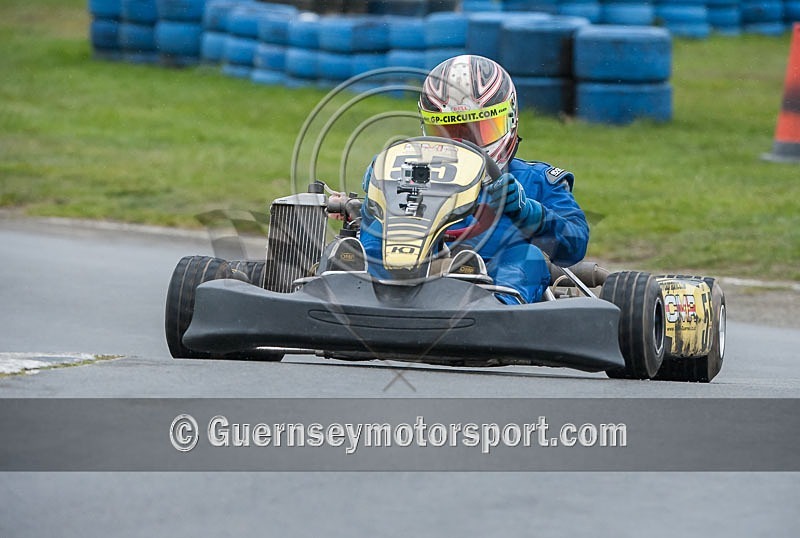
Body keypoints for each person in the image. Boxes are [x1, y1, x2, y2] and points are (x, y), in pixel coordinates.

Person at [359, 55, 589, 304]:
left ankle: (501, 307)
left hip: (490, 286)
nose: (462, 144)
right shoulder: (412, 174)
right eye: (448, 132)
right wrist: (382, 187)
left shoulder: (536, 181)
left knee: (527, 257)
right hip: (410, 276)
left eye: (477, 131)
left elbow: (574, 245)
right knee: (370, 239)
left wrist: (531, 214)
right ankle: (358, 294)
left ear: (510, 120)